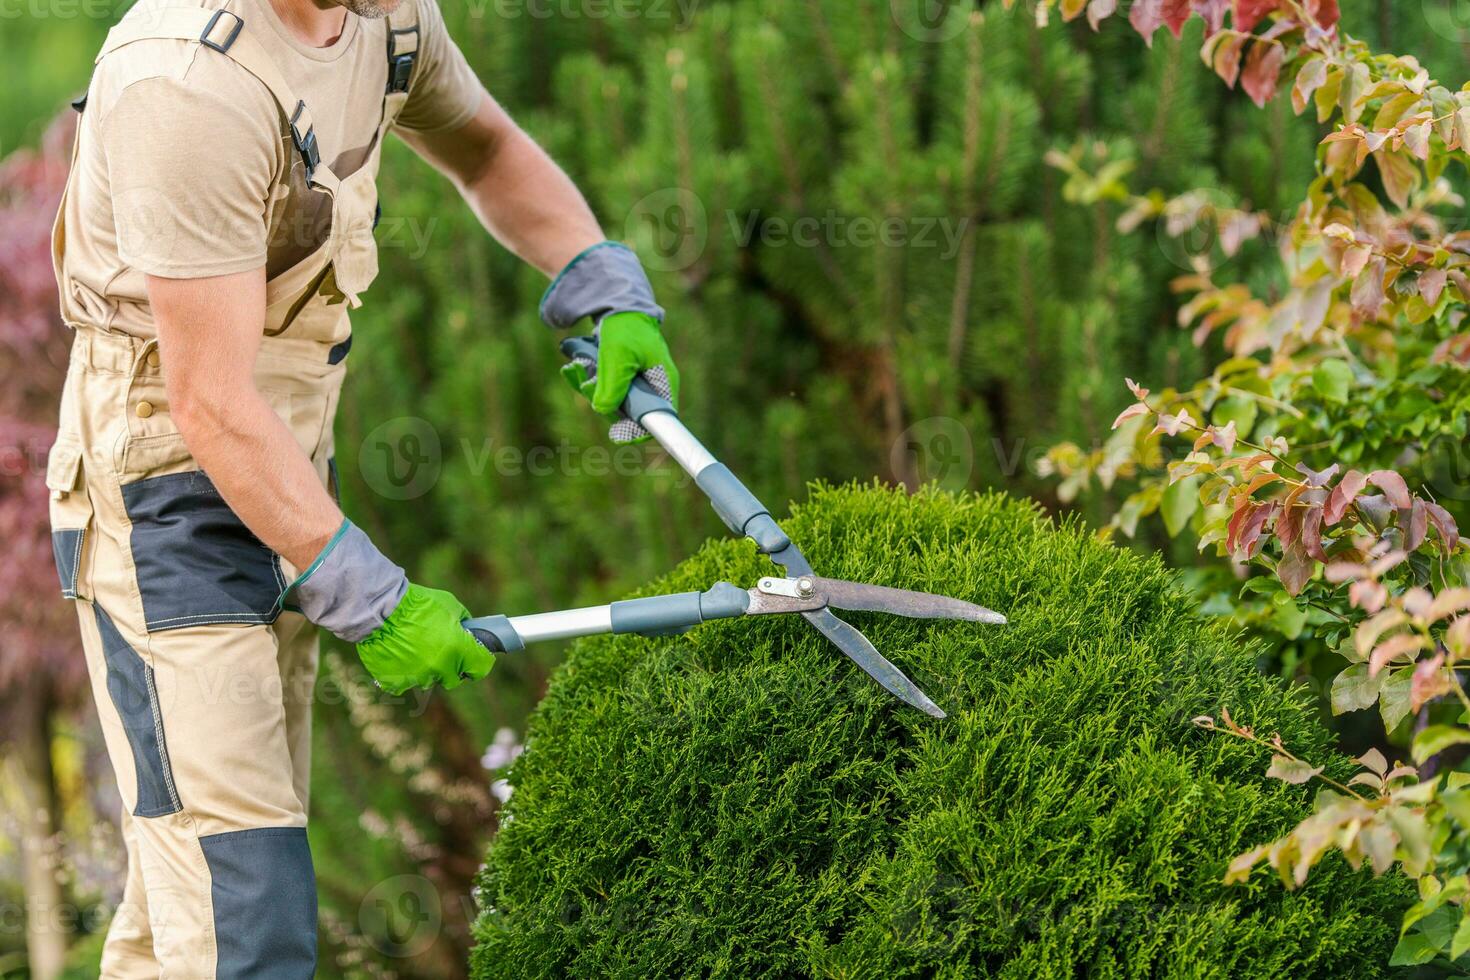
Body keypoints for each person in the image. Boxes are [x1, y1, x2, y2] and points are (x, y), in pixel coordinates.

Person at [48, 0, 679, 973]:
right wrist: (366, 590)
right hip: (164, 499)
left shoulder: (384, 19)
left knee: (190, 891)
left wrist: (596, 274)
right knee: (243, 916)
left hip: (286, 474)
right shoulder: (188, 80)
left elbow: (484, 146)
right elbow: (208, 402)